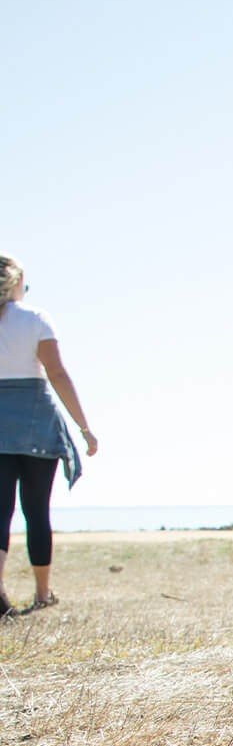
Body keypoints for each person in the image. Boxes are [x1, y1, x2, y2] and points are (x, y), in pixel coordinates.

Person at [0, 254, 97, 617]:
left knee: (0, 511)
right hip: (37, 424)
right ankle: (43, 594)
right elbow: (56, 374)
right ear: (16, 283)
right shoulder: (36, 318)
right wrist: (84, 427)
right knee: (37, 510)